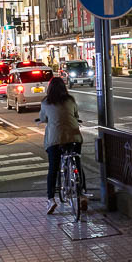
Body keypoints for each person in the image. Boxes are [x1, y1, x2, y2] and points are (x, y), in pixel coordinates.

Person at [37, 76, 83, 214]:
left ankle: (51, 200)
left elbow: (43, 118)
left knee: (53, 168)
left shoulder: (46, 102)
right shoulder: (71, 100)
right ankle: (82, 194)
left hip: (55, 140)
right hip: (74, 137)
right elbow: (75, 114)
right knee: (77, 163)